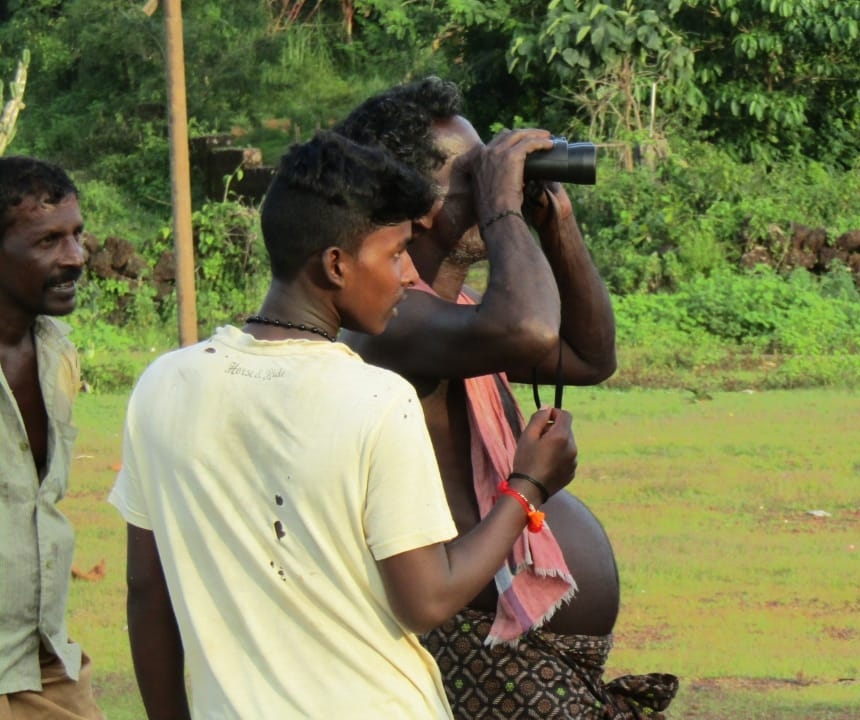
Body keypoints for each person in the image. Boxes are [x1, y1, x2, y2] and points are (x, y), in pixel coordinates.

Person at [108, 130, 578, 719]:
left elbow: (147, 593)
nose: (409, 275)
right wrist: (527, 486)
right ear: (335, 264)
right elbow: (427, 599)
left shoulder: (162, 385)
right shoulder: (377, 397)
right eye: (395, 253)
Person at [335, 78, 679, 718]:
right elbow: (526, 328)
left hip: (526, 648)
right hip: (481, 641)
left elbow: (589, 356)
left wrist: (559, 223)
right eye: (472, 173)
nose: (495, 179)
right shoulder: (392, 325)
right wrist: (502, 211)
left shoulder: (458, 314)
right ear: (416, 202)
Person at [0, 156, 104, 718]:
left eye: (77, 235)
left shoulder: (57, 354)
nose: (75, 258)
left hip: (45, 664)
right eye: (48, 241)